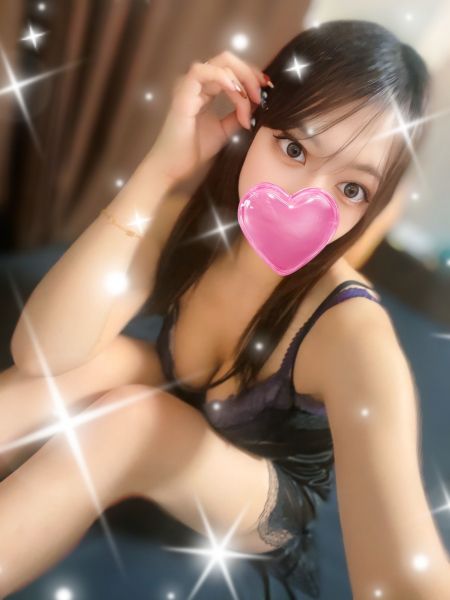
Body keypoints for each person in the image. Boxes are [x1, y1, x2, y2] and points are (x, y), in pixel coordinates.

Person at [2, 18, 449, 600]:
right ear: (254, 121)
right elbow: (41, 353)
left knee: (125, 422)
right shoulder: (197, 226)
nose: (305, 198)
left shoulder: (353, 333)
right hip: (182, 402)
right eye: (294, 148)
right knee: (73, 375)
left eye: (351, 189)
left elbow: (407, 574)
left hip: (265, 502)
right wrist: (161, 167)